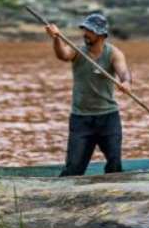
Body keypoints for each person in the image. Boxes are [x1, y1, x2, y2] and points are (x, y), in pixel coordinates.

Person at [45, 13, 132, 176]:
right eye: (85, 30)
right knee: (73, 169)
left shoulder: (114, 53)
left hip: (108, 118)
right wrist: (56, 38)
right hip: (81, 119)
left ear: (101, 34)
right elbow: (63, 55)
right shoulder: (77, 50)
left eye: (90, 31)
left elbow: (124, 73)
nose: (85, 34)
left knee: (114, 165)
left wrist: (126, 82)